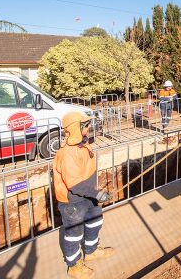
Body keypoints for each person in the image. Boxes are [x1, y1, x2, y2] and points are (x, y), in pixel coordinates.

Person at [54, 111, 113, 279]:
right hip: (73, 201)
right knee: (74, 233)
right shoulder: (67, 154)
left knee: (95, 222)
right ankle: (74, 266)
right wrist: (97, 193)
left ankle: (91, 251)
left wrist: (95, 192)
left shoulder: (83, 144)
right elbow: (75, 184)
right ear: (75, 129)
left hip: (88, 197)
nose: (89, 127)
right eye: (85, 125)